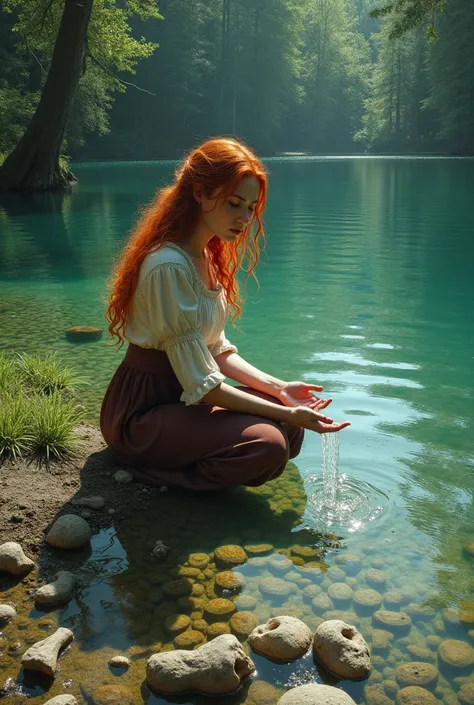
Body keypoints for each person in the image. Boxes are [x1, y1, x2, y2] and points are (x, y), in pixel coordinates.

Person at [100, 137, 350, 492]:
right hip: (142, 415)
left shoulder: (204, 257)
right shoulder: (168, 265)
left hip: (184, 400)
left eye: (250, 207)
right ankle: (159, 478)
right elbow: (205, 385)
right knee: (270, 444)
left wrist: (281, 390)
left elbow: (215, 348)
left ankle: (192, 456)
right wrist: (284, 411)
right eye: (235, 203)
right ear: (200, 193)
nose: (245, 218)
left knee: (290, 431)